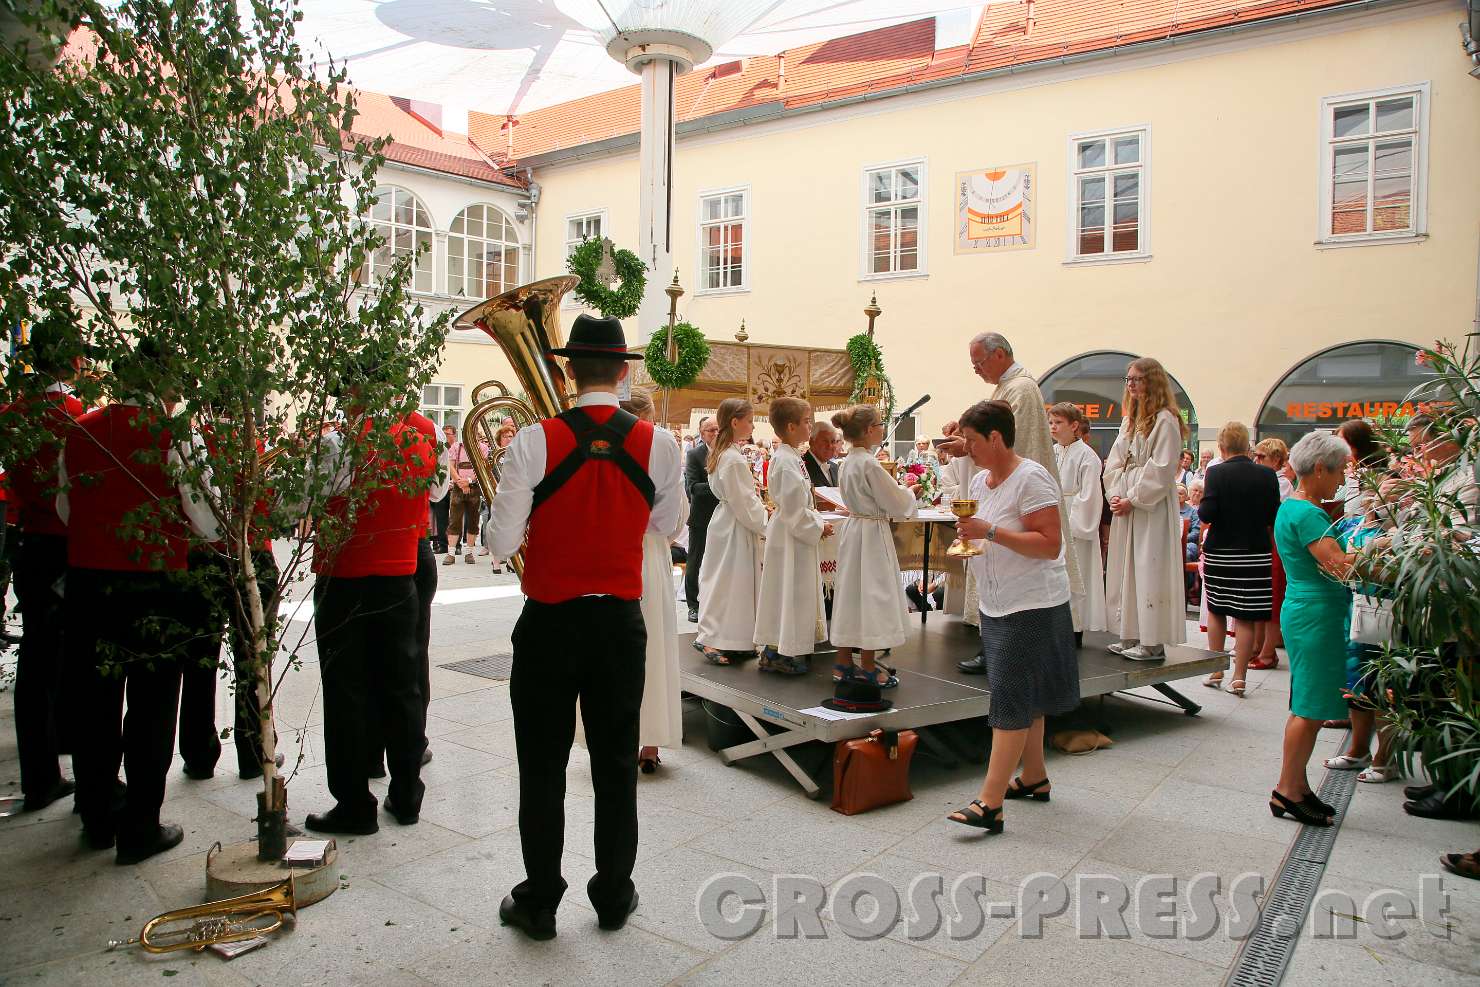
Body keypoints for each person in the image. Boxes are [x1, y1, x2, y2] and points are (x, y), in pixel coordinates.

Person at [487, 314, 680, 940]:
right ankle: (614, 895)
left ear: (569, 370)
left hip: (548, 620)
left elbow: (500, 542)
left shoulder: (532, 440)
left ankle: (540, 900)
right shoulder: (659, 443)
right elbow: (667, 527)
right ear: (623, 371)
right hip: (619, 622)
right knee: (616, 762)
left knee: (541, 763)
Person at [62, 337, 221, 863]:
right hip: (155, 582)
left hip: (89, 583)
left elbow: (66, 508)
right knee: (151, 708)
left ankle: (97, 813)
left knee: (95, 704)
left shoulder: (79, 429)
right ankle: (140, 827)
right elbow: (207, 520)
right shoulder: (177, 436)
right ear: (167, 385)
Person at [304, 365, 437, 837]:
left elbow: (300, 504)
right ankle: (407, 794)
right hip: (400, 575)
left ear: (356, 391)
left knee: (347, 691)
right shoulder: (423, 435)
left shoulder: (338, 442)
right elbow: (436, 490)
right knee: (402, 686)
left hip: (345, 576)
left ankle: (354, 804)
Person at [946, 400, 1080, 834]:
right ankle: (1035, 776)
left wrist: (988, 532)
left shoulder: (1031, 477)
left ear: (996, 438)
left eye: (971, 440)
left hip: (1031, 603)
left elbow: (1049, 545)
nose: (966, 448)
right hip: (997, 602)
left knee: (1009, 697)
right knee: (1027, 694)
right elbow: (987, 532)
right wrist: (973, 539)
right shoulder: (981, 481)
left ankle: (990, 802)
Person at [942, 333, 1082, 674]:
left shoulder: (1021, 389)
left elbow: (1012, 444)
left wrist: (965, 447)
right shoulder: (1006, 389)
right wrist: (965, 435)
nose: (976, 370)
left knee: (1025, 679)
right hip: (1001, 513)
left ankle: (1003, 650)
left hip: (1023, 520)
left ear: (1000, 355)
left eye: (979, 362)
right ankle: (993, 646)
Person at [5, 324, 85, 811]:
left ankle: (41, 766)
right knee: (71, 654)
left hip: (28, 540)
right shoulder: (74, 417)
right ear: (72, 362)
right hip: (67, 545)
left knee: (36, 656)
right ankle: (66, 749)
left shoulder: (13, 415)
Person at [1269, 431, 1354, 827]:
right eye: (1339, 471)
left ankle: (1297, 786)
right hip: (1314, 613)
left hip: (1308, 609)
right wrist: (1380, 548)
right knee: (1309, 707)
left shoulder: (1295, 506)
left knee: (1309, 704)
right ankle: (1287, 789)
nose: (1342, 479)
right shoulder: (1307, 513)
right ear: (1320, 469)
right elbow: (1339, 566)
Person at [612, 388, 686, 774]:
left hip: (609, 549)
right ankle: (650, 742)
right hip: (649, 550)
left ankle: (613, 739)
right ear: (645, 416)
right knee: (653, 644)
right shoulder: (661, 443)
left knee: (613, 650)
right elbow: (674, 517)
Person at [1103, 357, 1187, 660]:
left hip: (1149, 508)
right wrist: (1115, 494)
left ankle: (1152, 640)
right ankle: (1130, 632)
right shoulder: (1130, 421)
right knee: (1126, 570)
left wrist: (1134, 498)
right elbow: (1114, 462)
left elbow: (1162, 468)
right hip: (1127, 505)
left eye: (1137, 379)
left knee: (1148, 568)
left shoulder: (1165, 419)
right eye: (1128, 379)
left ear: (1152, 381)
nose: (1131, 385)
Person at [830, 404, 916, 689]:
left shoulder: (847, 461)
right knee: (872, 596)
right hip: (870, 536)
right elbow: (895, 502)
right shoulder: (869, 463)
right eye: (880, 424)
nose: (882, 428)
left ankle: (843, 661)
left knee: (851, 595)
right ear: (868, 430)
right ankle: (867, 665)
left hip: (855, 530)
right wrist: (910, 493)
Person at [1197, 421, 1280, 695]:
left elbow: (1207, 513)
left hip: (1221, 552)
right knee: (1245, 616)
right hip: (1256, 553)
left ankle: (1216, 669)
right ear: (1247, 445)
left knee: (1217, 610)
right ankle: (1240, 677)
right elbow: (1273, 516)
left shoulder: (1216, 472)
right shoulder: (1267, 475)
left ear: (1222, 447)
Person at [753, 396, 832, 676]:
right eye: (806, 422)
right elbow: (793, 508)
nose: (810, 426)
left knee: (787, 591)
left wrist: (815, 520)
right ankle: (778, 651)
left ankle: (779, 650)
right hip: (790, 535)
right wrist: (819, 525)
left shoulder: (791, 456)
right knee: (788, 591)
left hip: (793, 533)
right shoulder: (785, 460)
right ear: (790, 427)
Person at [694, 398, 767, 665]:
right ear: (735, 422)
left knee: (736, 584)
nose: (752, 426)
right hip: (734, 525)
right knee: (725, 583)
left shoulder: (725, 452)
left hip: (728, 522)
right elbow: (744, 502)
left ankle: (736, 639)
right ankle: (711, 639)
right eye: (750, 421)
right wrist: (766, 521)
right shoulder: (732, 458)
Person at [1049, 402, 1106, 633]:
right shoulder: (1052, 452)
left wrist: (1072, 525)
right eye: (1050, 422)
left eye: (1058, 422)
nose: (1053, 427)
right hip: (1053, 518)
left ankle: (1075, 628)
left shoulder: (1087, 456)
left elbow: (1090, 495)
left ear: (1074, 426)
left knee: (1077, 573)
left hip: (1075, 524)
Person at [683, 415, 720, 623]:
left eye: (717, 429)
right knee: (695, 561)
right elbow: (693, 487)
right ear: (701, 432)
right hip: (702, 517)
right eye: (710, 430)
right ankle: (693, 605)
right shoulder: (694, 454)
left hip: (724, 517)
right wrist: (719, 485)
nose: (715, 433)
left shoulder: (727, 452)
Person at [444, 429, 485, 564]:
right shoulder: (456, 447)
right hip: (458, 487)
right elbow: (450, 466)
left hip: (474, 487)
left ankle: (469, 553)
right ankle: (451, 553)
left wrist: (469, 481)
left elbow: (482, 468)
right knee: (454, 519)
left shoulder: (482, 448)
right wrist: (460, 482)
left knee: (473, 520)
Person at [430, 423, 455, 552]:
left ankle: (455, 545)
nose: (445, 436)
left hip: (455, 486)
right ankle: (442, 545)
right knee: (440, 518)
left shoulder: (457, 448)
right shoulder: (438, 449)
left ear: (454, 436)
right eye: (443, 434)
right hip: (441, 486)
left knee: (455, 518)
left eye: (448, 434)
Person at [802, 420, 841, 489]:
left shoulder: (835, 467)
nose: (829, 446)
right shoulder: (801, 466)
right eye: (825, 441)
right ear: (811, 442)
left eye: (833, 441)